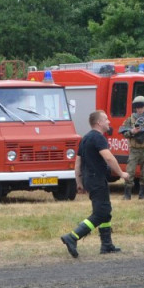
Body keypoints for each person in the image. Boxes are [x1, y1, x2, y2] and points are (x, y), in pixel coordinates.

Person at [61, 110, 129, 257]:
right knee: (100, 213)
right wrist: (121, 173)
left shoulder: (85, 138)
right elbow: (109, 158)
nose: (109, 121)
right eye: (106, 119)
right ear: (99, 123)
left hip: (89, 179)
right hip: (96, 179)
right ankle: (72, 237)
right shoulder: (98, 138)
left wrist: (79, 181)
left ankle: (107, 245)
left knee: (105, 211)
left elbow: (78, 162)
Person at [121, 95, 144, 200]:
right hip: (135, 149)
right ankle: (127, 194)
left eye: (141, 107)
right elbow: (123, 132)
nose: (139, 109)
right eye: (137, 107)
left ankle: (143, 194)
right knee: (130, 171)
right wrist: (132, 132)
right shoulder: (130, 120)